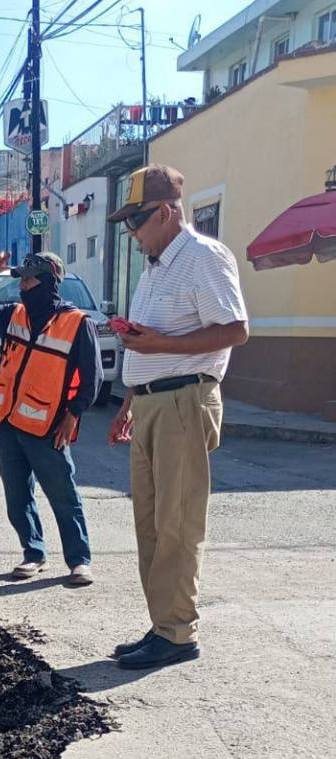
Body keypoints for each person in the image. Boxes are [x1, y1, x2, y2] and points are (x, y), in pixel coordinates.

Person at [107, 164, 248, 669]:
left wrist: (160, 345)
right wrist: (129, 401)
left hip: (183, 402)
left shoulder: (203, 257)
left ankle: (178, 633)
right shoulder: (155, 268)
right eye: (127, 222)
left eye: (136, 220)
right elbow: (149, 344)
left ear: (166, 213)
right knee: (150, 524)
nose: (131, 232)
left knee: (177, 523)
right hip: (151, 403)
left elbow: (235, 330)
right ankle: (163, 623)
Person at [0, 249, 102, 586]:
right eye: (21, 280)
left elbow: (92, 378)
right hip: (9, 423)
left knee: (63, 496)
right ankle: (33, 552)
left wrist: (72, 416)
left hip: (48, 427)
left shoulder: (76, 324)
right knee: (17, 497)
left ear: (49, 282)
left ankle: (79, 560)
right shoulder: (14, 316)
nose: (23, 286)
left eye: (30, 280)